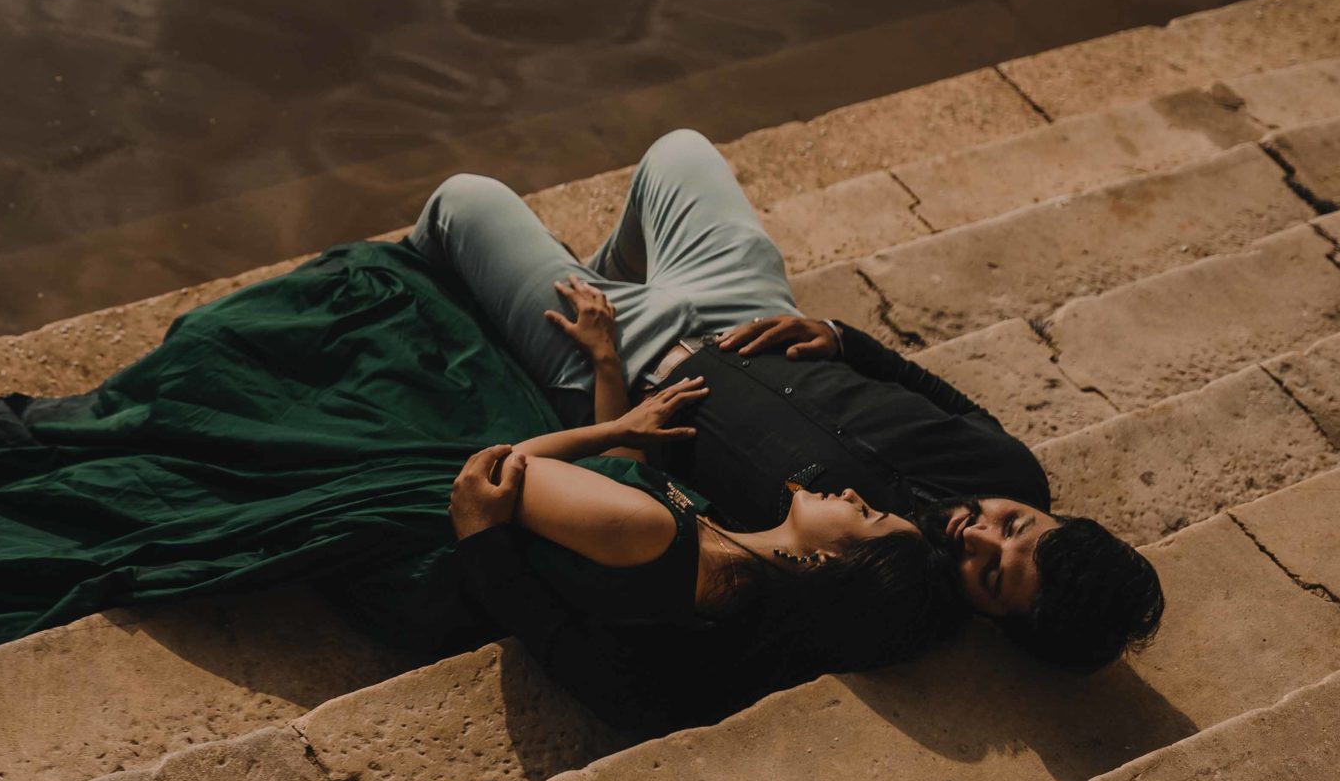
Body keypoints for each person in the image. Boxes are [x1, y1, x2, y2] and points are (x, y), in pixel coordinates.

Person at [0, 232, 962, 695]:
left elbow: (488, 475)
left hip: (440, 525)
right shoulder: (723, 588)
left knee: (373, 305)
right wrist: (611, 384)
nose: (860, 499)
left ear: (824, 569)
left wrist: (601, 426)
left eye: (869, 525)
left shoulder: (661, 542)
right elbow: (618, 493)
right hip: (530, 524)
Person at [407, 134, 1163, 731]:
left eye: (992, 574)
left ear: (997, 621)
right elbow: (946, 399)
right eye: (1014, 525)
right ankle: (589, 274)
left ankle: (428, 289)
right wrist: (843, 338)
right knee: (678, 150)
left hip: (631, 367)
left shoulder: (883, 586)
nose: (977, 531)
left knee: (463, 201)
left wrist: (604, 403)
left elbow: (644, 686)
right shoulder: (1014, 469)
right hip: (744, 303)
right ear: (1044, 511)